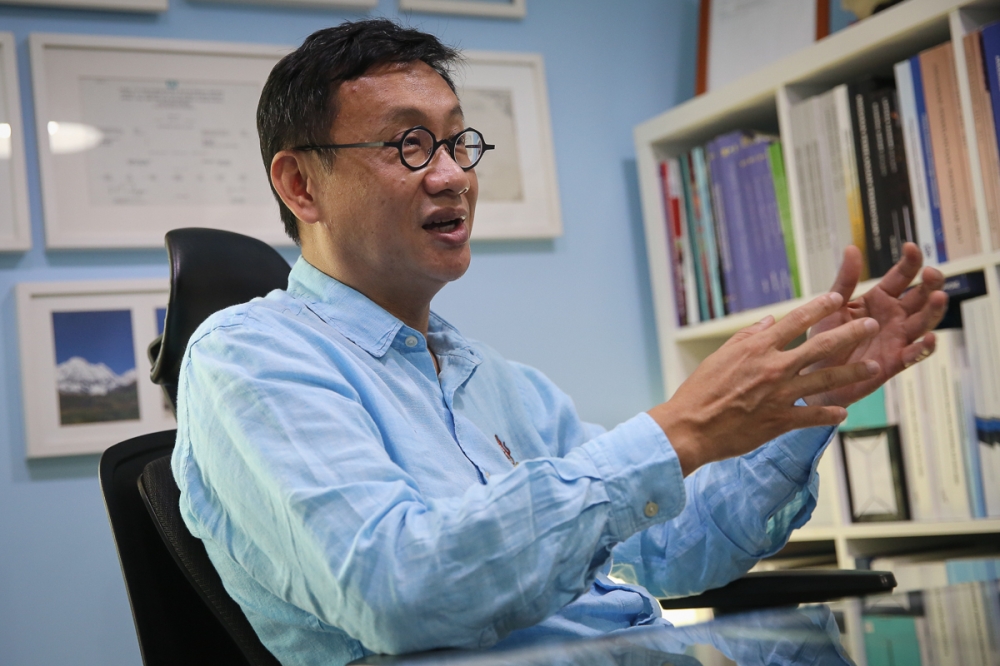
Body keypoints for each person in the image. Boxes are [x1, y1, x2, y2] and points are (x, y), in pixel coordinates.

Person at [172, 18, 948, 666]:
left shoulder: (496, 381)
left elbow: (673, 551)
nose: (452, 176)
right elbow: (396, 591)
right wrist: (679, 432)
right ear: (300, 185)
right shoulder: (247, 357)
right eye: (409, 145)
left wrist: (808, 395)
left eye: (457, 142)